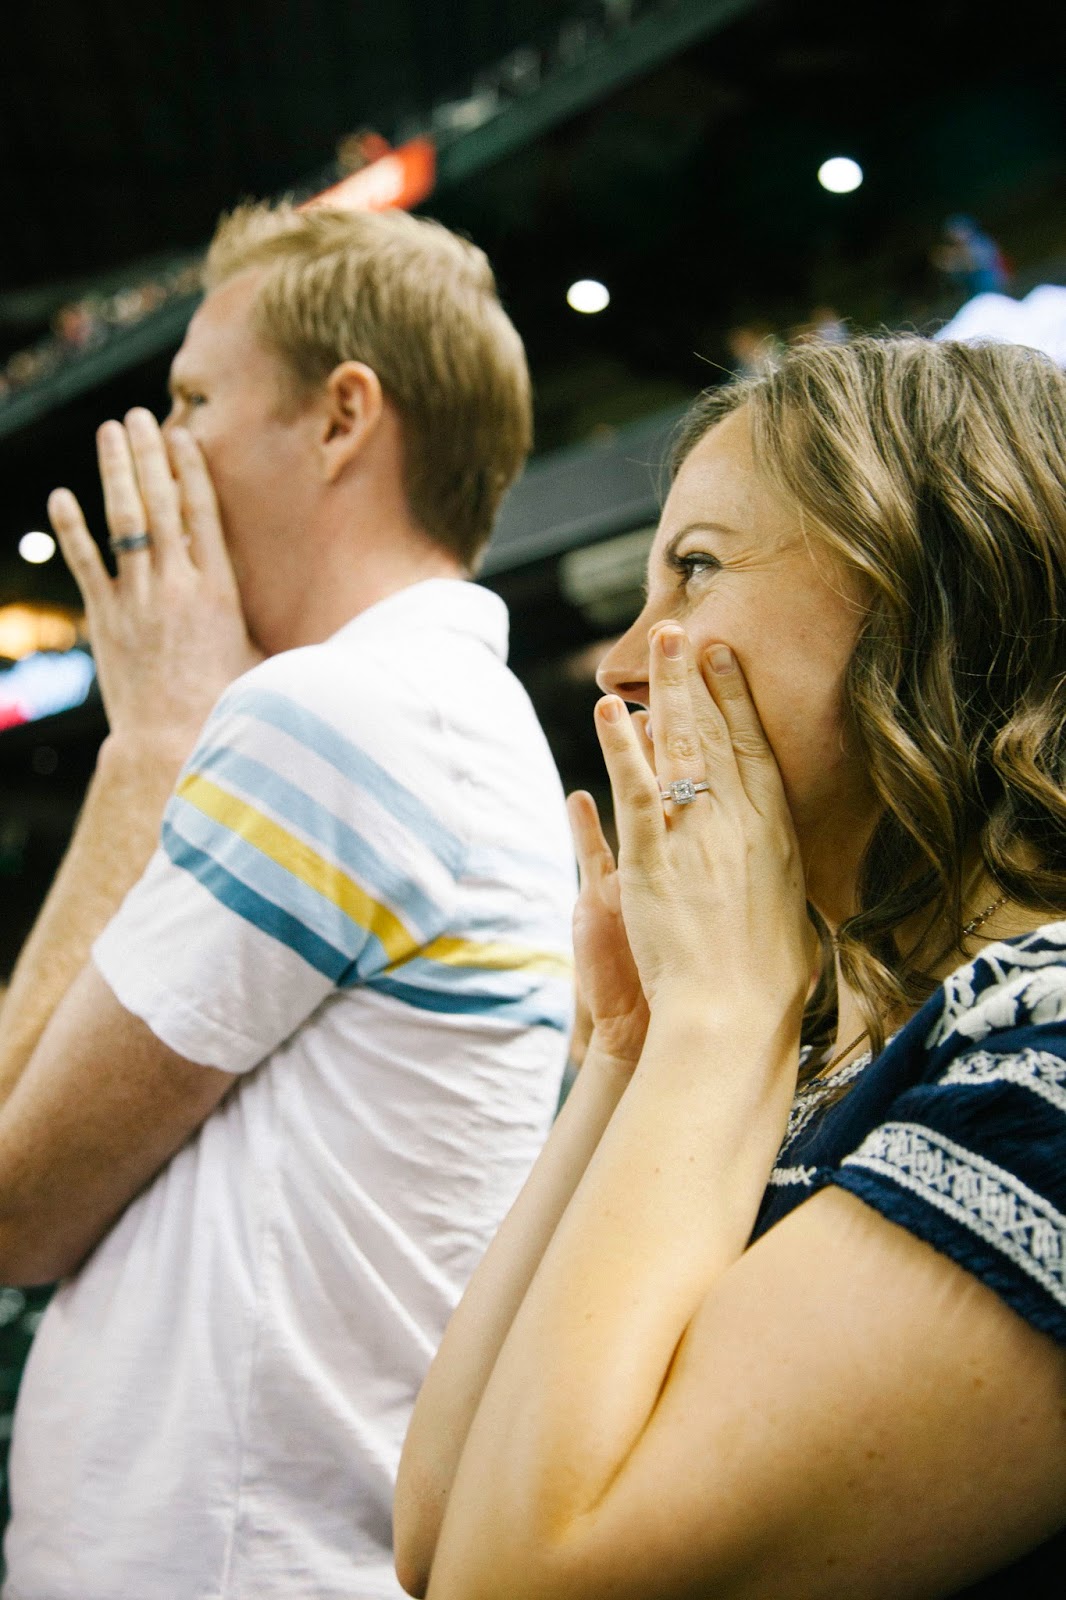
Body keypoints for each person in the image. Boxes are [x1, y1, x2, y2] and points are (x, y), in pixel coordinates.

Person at [395, 335, 1066, 1598]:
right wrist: (631, 1044)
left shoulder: (1044, 1061)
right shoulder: (827, 1042)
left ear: (931, 585)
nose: (624, 658)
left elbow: (514, 1578)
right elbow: (433, 1524)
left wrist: (714, 1019)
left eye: (694, 568)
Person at [0, 202, 575, 1599]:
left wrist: (149, 744)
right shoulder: (436, 708)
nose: (163, 447)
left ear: (340, 418)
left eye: (193, 397)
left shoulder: (333, 717)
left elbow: (11, 1208)